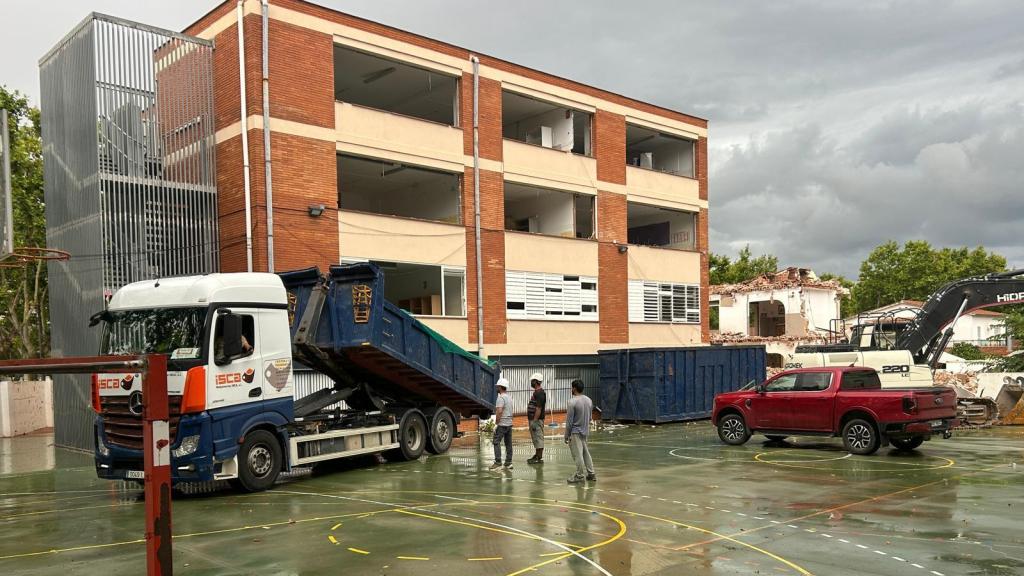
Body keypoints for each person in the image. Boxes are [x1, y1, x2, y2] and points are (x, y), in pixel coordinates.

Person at [564, 379, 596, 484]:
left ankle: (579, 475)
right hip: (585, 430)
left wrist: (566, 435)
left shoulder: (572, 402)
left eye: (572, 388)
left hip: (575, 432)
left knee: (578, 455)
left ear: (574, 388)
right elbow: (590, 417)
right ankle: (591, 473)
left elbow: (569, 421)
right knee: (586, 453)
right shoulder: (589, 400)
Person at [490, 378, 514, 470]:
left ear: (500, 387)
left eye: (497, 386)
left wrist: (496, 423)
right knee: (508, 443)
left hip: (502, 424)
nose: (497, 387)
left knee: (496, 441)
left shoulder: (500, 398)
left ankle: (498, 462)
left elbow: (499, 411)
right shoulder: (509, 397)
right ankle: (508, 463)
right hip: (509, 423)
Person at [526, 373, 547, 464]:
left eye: (532, 381)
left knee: (538, 438)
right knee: (536, 438)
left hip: (537, 420)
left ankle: (539, 457)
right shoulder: (537, 392)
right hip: (534, 420)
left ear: (536, 381)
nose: (531, 382)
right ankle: (537, 455)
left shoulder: (540, 393)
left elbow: (539, 408)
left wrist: (534, 421)